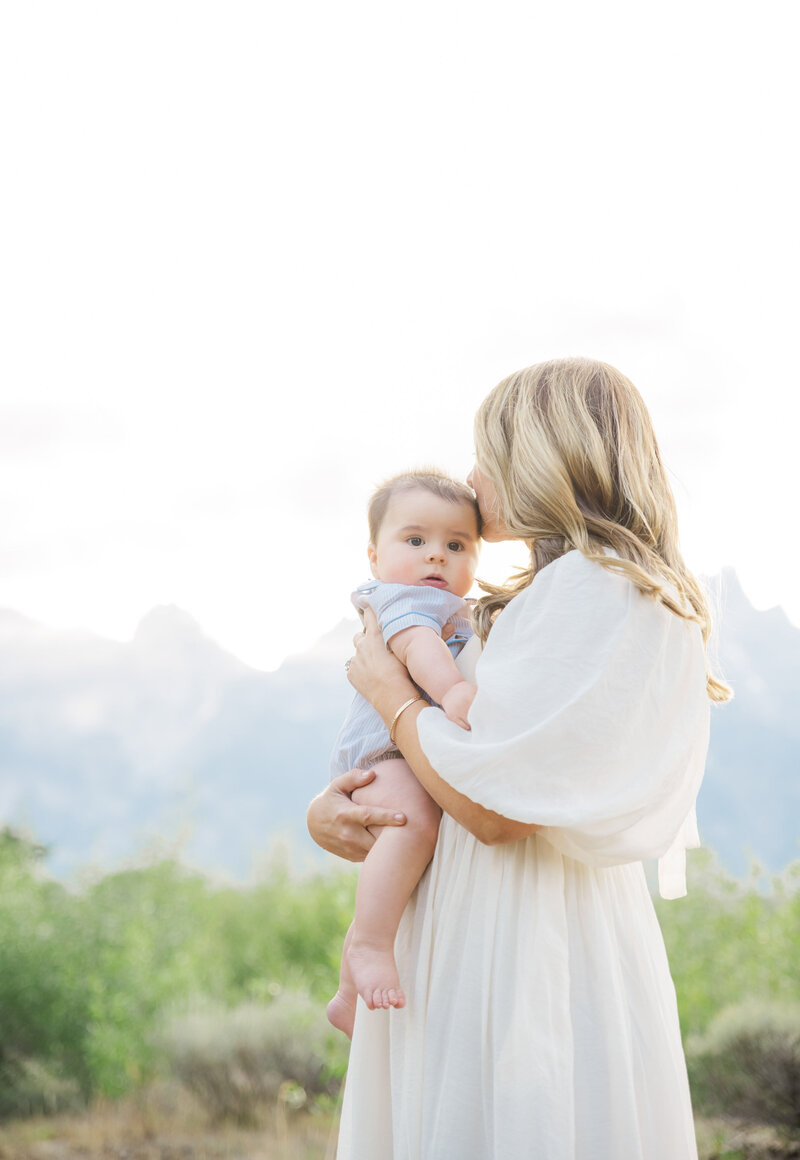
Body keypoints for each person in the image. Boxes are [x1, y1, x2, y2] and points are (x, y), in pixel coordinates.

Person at [307, 357, 732, 1160]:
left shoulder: (599, 592)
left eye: (488, 452)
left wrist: (390, 695)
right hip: (477, 915)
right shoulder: (542, 601)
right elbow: (467, 768)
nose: (471, 477)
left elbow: (500, 809)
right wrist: (338, 809)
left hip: (526, 934)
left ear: (540, 454)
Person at [327, 470, 481, 1039]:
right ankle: (368, 945)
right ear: (375, 556)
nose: (435, 556)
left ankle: (347, 994)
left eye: (456, 545)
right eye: (415, 541)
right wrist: (454, 692)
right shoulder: (404, 599)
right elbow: (417, 647)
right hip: (386, 750)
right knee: (412, 824)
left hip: (400, 746)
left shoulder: (453, 605)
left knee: (409, 844)